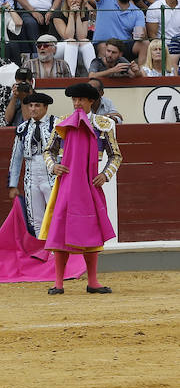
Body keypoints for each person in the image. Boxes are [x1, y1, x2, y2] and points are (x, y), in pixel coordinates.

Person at [41, 82, 122, 295]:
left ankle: (93, 281)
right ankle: (58, 283)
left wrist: (105, 174)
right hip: (66, 184)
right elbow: (48, 150)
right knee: (60, 232)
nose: (76, 104)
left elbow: (116, 155)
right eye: (74, 100)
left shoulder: (104, 125)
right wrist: (53, 166)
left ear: (91, 101)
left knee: (91, 232)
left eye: (80, 100)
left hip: (89, 184)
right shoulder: (62, 123)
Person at [7, 91, 59, 236]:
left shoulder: (57, 125)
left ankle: (56, 251)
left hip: (53, 176)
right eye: (30, 106)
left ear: (45, 108)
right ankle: (42, 250)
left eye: (37, 105)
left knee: (56, 214)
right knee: (35, 218)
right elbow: (16, 158)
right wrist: (12, 184)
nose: (33, 109)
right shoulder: (22, 129)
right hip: (31, 178)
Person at [52, 0, 97, 76]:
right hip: (56, 47)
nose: (74, 0)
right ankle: (70, 76)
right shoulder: (58, 13)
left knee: (86, 42)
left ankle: (93, 74)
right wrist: (71, 14)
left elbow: (81, 37)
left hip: (75, 46)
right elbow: (67, 36)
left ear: (81, 0)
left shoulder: (84, 13)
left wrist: (78, 16)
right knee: (71, 41)